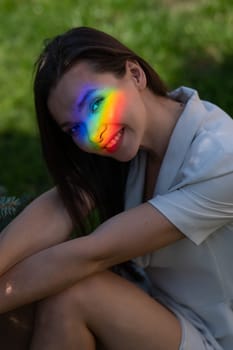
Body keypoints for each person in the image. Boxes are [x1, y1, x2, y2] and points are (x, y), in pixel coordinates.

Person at [0, 26, 233, 350]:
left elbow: (94, 254)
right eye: (75, 128)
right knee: (19, 309)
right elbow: (61, 204)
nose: (93, 135)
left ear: (135, 74)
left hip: (216, 337)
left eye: (95, 105)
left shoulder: (222, 157)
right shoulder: (127, 142)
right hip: (153, 308)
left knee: (73, 294)